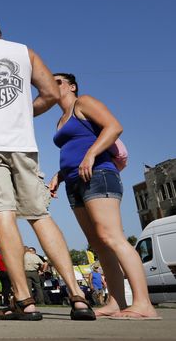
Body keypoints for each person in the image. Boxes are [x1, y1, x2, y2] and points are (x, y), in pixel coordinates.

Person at [0, 11, 93, 321]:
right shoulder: (24, 51)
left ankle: (25, 301)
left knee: (3, 214)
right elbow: (51, 92)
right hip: (23, 143)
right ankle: (78, 297)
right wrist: (24, 113)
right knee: (40, 214)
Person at [49, 72, 159, 319]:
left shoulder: (83, 102)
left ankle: (144, 304)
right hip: (74, 182)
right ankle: (116, 302)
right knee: (99, 244)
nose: (51, 85)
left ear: (72, 86)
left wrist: (91, 154)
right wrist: (60, 174)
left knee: (112, 236)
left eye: (57, 81)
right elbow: (73, 148)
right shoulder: (60, 119)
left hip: (99, 173)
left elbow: (114, 127)